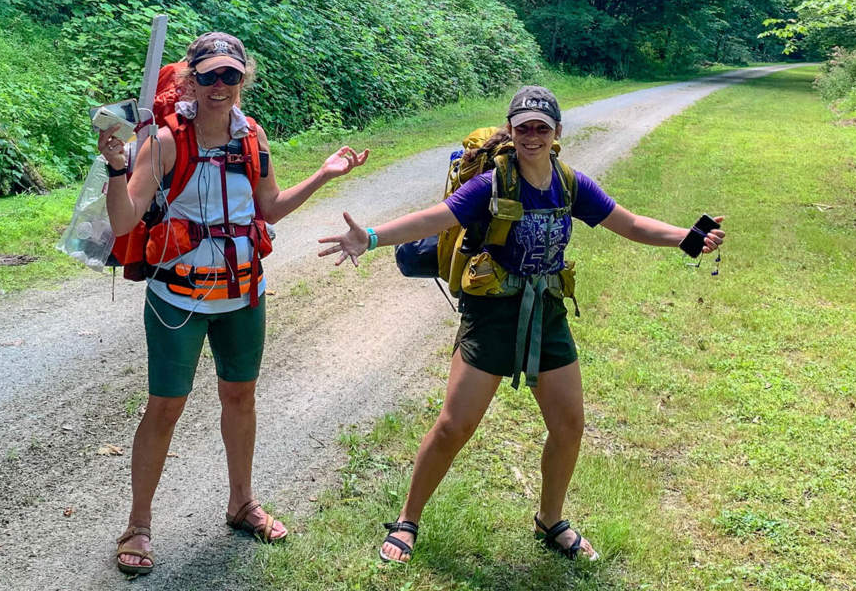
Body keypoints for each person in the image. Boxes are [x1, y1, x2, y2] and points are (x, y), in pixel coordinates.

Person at [317, 86, 724, 563]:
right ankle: (407, 520)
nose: (532, 135)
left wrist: (688, 238)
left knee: (570, 425)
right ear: (510, 130)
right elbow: (434, 219)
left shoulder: (570, 184)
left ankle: (550, 521)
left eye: (541, 127)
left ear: (556, 134)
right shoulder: (491, 184)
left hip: (547, 312)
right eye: (523, 126)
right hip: (492, 313)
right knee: (454, 426)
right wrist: (370, 236)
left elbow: (629, 224)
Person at [99, 32, 369, 575]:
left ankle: (241, 503)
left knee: (241, 398)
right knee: (166, 407)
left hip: (243, 291)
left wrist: (323, 174)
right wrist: (115, 168)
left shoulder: (253, 137)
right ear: (189, 80)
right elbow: (125, 221)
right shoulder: (168, 140)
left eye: (230, 76)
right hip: (177, 294)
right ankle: (138, 525)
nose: (220, 86)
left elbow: (268, 209)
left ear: (243, 78)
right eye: (208, 76)